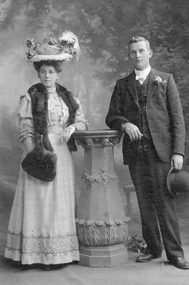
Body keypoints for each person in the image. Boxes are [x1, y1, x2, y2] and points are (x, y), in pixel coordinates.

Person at [4, 32, 88, 270]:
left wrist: (73, 126)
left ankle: (58, 255)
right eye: (43, 72)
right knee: (39, 201)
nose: (47, 76)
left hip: (62, 154)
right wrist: (35, 156)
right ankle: (35, 255)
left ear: (58, 73)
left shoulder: (68, 98)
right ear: (39, 73)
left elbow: (83, 121)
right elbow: (26, 129)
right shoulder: (31, 97)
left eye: (51, 71)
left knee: (58, 204)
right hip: (39, 151)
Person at [106, 36, 189, 270]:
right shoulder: (123, 85)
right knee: (145, 204)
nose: (138, 55)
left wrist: (178, 152)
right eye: (133, 52)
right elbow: (111, 115)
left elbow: (177, 121)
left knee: (165, 203)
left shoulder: (165, 80)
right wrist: (124, 124)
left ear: (150, 53)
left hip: (161, 154)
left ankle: (175, 254)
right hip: (136, 155)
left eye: (142, 51)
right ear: (129, 56)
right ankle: (153, 249)